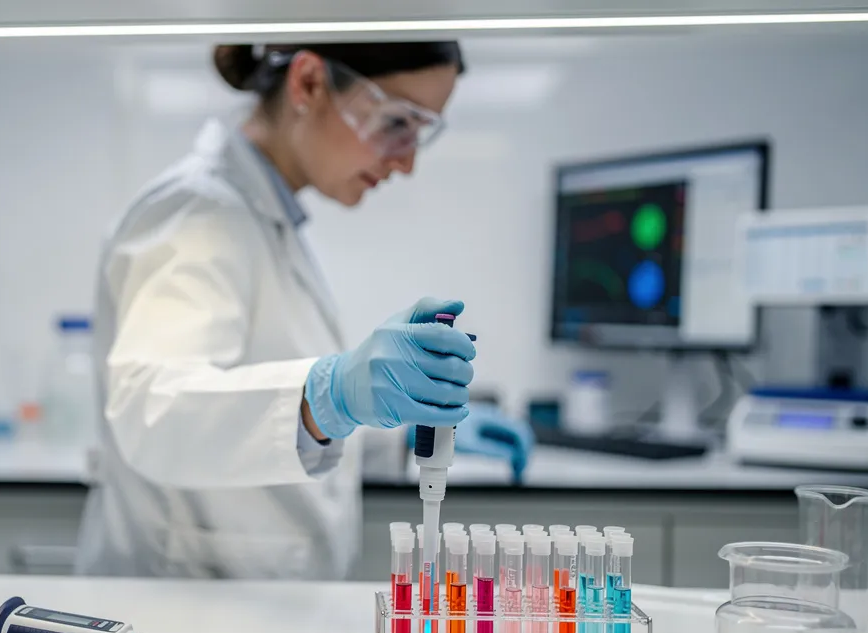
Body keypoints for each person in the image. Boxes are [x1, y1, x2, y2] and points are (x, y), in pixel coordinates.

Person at [76, 42, 533, 579]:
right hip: (184, 602)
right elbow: (152, 413)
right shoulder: (197, 212)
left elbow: (258, 390)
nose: (407, 161)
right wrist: (331, 393)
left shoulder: (263, 215)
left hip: (240, 601)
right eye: (398, 122)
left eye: (422, 131)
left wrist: (393, 429)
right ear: (309, 83)